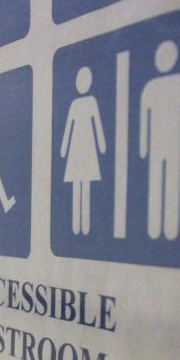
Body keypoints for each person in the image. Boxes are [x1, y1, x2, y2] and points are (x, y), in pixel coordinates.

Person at [139, 40, 180, 240]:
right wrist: (144, 147)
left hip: (172, 144)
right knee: (156, 182)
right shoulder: (150, 89)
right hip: (157, 145)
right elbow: (145, 120)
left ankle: (170, 229)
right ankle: (154, 227)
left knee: (171, 182)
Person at [60, 66, 106, 235]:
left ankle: (84, 226)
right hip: (76, 151)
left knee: (84, 185)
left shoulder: (91, 102)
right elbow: (68, 128)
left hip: (87, 150)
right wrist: (64, 149)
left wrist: (101, 145)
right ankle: (76, 225)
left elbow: (97, 126)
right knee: (76, 185)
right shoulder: (74, 105)